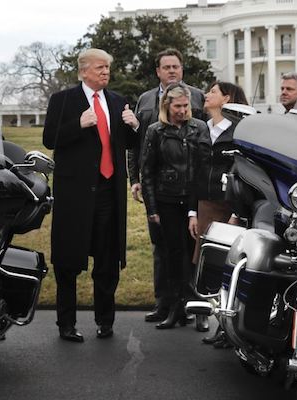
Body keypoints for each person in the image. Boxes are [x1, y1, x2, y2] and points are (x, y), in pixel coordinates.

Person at [42, 48, 139, 342]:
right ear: (83, 71)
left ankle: (105, 321)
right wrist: (77, 125)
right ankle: (66, 324)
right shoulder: (63, 100)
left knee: (107, 260)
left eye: (107, 68)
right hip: (75, 194)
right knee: (68, 260)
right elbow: (49, 139)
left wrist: (134, 126)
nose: (105, 72)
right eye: (100, 68)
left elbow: (127, 143)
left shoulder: (117, 101)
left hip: (109, 192)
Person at [128, 48, 205, 325]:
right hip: (161, 188)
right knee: (162, 247)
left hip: (190, 190)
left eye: (176, 66)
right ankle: (165, 303)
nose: (172, 71)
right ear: (158, 71)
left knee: (191, 249)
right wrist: (135, 179)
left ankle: (191, 305)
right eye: (167, 67)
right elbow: (136, 145)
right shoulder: (146, 99)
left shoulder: (197, 97)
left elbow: (202, 147)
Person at [188, 81, 248, 345]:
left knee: (229, 265)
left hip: (228, 206)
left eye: (212, 92)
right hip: (205, 204)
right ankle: (209, 317)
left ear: (227, 98)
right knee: (206, 263)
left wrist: (237, 212)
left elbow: (243, 174)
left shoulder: (240, 131)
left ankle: (228, 328)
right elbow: (194, 171)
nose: (206, 95)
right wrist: (192, 211)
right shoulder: (203, 129)